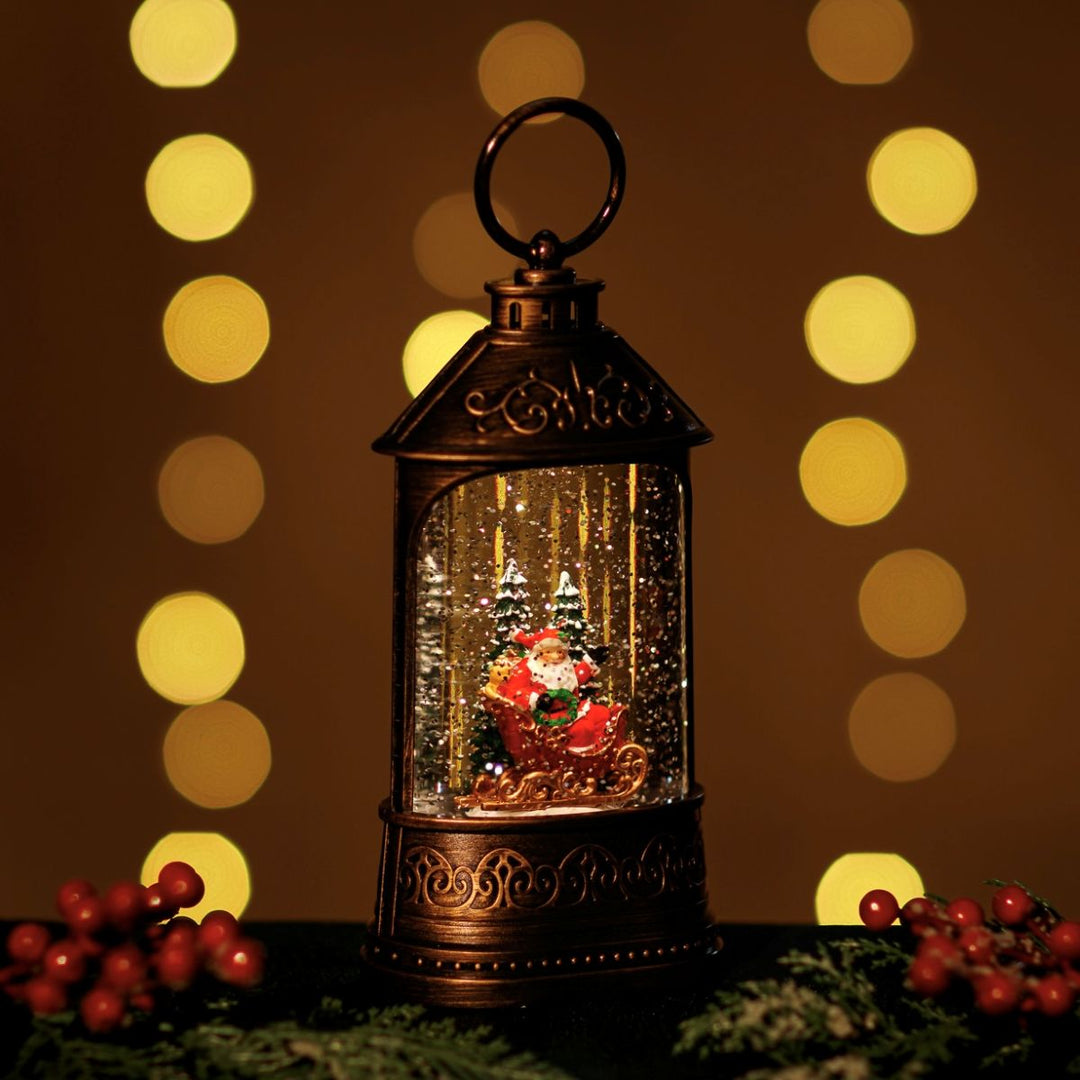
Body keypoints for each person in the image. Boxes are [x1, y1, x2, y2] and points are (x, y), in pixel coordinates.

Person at [496, 627, 617, 752]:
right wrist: (537, 699)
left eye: (560, 652)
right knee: (583, 729)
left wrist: (590, 661)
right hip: (546, 717)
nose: (556, 656)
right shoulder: (528, 667)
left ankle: (601, 751)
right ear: (540, 651)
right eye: (550, 651)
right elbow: (515, 692)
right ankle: (579, 760)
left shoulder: (562, 666)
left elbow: (573, 679)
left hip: (570, 708)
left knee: (602, 715)